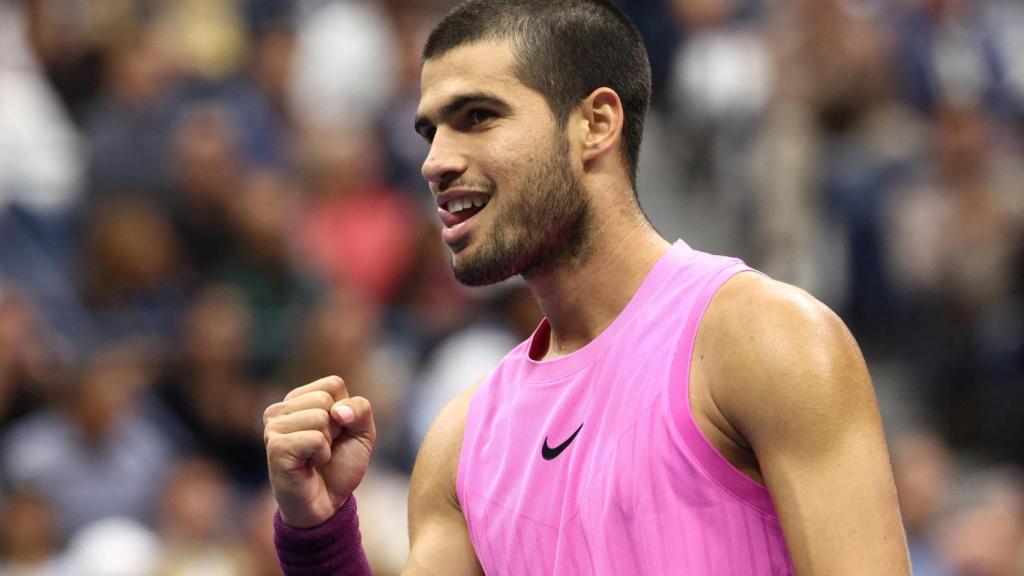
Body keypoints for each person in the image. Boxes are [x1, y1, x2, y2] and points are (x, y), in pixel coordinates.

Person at [262, 1, 911, 574]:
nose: (435, 162)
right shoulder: (458, 444)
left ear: (596, 123)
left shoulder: (769, 340)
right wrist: (318, 534)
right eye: (432, 132)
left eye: (478, 116)